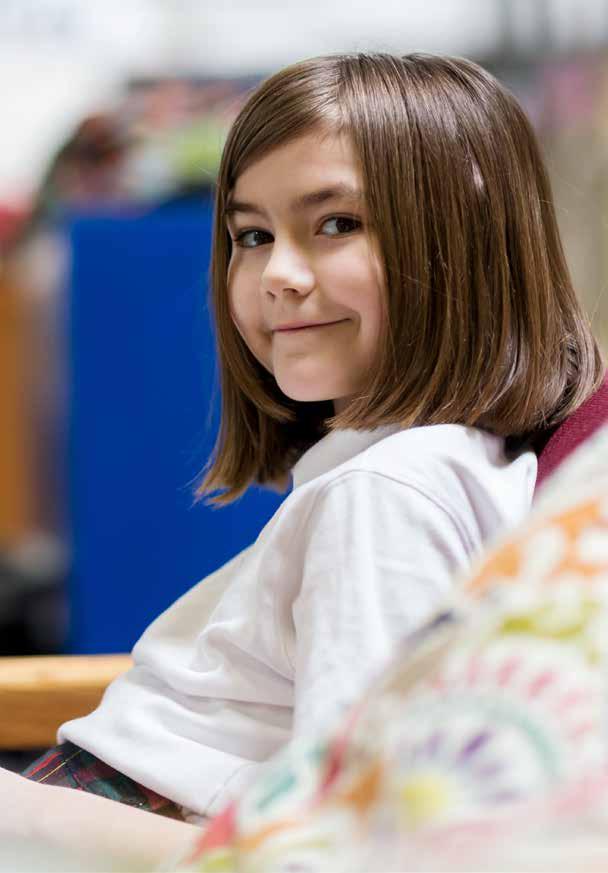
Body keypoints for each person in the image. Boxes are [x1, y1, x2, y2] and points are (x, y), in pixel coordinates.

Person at [2, 50, 603, 865]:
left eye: (337, 224)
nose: (277, 275)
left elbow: (351, 847)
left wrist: (25, 815)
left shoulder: (388, 497)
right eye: (252, 235)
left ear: (462, 240)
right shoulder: (429, 470)